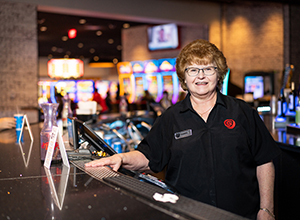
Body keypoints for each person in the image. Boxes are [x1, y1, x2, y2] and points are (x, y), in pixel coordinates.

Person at [86, 39, 280, 220]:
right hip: (186, 214)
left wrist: (266, 209)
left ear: (218, 73)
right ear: (184, 77)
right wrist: (121, 158)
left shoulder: (242, 112)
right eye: (193, 70)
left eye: (208, 69)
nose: (201, 76)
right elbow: (149, 157)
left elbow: (264, 161)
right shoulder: (171, 118)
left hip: (240, 214)